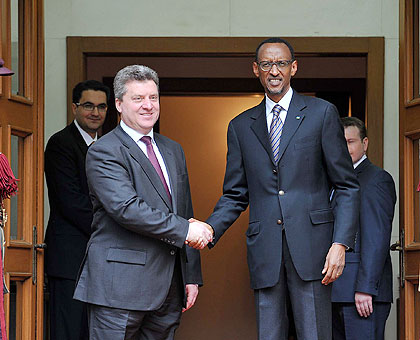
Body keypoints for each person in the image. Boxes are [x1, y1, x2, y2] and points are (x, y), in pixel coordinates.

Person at [193, 37, 360, 340]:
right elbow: (235, 193)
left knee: (315, 334)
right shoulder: (241, 126)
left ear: (293, 67)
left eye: (281, 63)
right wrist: (209, 228)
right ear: (255, 69)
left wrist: (341, 244)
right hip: (266, 250)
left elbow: (347, 186)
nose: (274, 71)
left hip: (315, 250)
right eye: (267, 64)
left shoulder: (322, 113)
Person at [73, 65, 212, 340]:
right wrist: (186, 231)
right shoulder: (103, 151)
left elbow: (185, 211)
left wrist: (191, 274)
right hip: (118, 288)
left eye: (153, 97)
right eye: (138, 99)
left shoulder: (173, 149)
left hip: (169, 289)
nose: (148, 106)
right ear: (119, 104)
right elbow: (127, 208)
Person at [44, 79, 110, 340]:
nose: (95, 113)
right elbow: (70, 202)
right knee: (69, 331)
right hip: (70, 258)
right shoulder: (61, 143)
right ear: (74, 108)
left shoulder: (109, 146)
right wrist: (113, 228)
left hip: (103, 259)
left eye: (101, 107)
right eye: (88, 106)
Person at [332, 117, 396, 340]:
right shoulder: (332, 180)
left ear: (365, 143)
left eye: (350, 142)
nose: (344, 148)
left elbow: (376, 238)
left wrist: (366, 288)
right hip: (335, 292)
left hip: (361, 295)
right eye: (340, 142)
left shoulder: (376, 179)